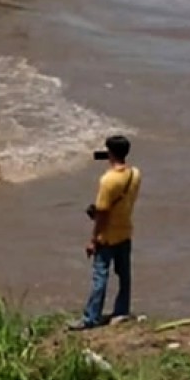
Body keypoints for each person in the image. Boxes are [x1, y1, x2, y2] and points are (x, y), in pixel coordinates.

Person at [69, 135, 142, 331]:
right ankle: (121, 311)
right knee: (124, 275)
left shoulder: (108, 180)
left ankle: (90, 318)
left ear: (109, 152)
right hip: (125, 231)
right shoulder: (135, 174)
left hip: (107, 236)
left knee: (100, 277)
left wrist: (93, 240)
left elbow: (102, 214)